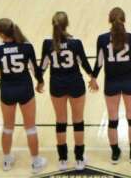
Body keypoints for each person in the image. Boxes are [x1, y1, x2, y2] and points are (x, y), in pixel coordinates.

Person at [39, 12, 96, 171]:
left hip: (57, 85)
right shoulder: (75, 43)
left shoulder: (47, 44)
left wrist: (40, 81)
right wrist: (93, 77)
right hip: (75, 84)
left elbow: (42, 66)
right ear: (67, 24)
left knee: (60, 122)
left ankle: (63, 160)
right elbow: (84, 63)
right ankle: (79, 159)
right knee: (78, 122)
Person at [0, 18, 47, 173]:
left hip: (7, 91)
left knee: (7, 127)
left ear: (0, 33)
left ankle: (7, 161)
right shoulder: (26, 47)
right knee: (30, 127)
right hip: (25, 89)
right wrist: (40, 82)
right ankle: (35, 163)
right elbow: (35, 69)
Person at [92, 8, 131, 164]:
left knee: (113, 120)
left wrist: (94, 78)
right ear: (124, 19)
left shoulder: (102, 39)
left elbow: (99, 62)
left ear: (109, 20)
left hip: (111, 82)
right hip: (129, 80)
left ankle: (115, 154)